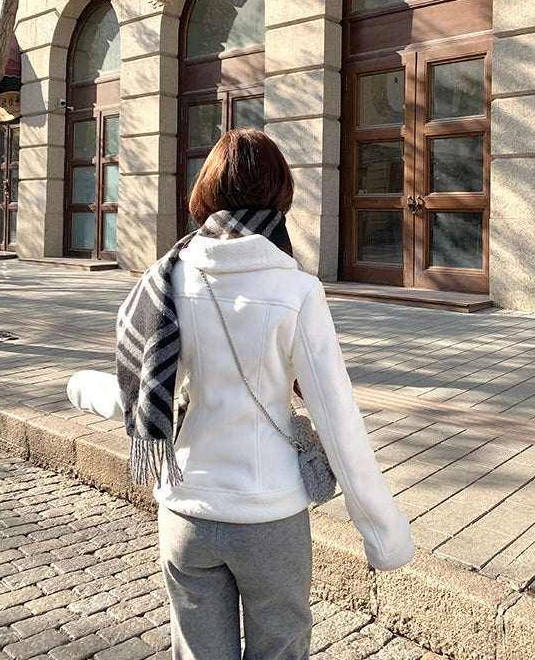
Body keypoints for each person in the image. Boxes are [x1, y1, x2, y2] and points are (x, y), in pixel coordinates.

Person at [67, 128, 414, 660]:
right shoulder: (298, 290)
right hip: (269, 514)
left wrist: (79, 386)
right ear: (281, 197)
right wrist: (383, 534)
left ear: (206, 191)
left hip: (185, 510)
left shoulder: (168, 279)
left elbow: (139, 401)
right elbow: (338, 420)